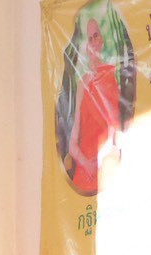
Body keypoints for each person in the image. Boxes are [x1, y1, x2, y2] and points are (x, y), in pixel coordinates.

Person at [66, 17, 121, 195]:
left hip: (106, 167)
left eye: (96, 36)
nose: (94, 42)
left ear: (102, 40)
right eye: (89, 39)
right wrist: (86, 164)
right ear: (85, 47)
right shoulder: (82, 85)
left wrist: (105, 161)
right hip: (84, 170)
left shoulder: (110, 75)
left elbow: (117, 132)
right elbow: (72, 146)